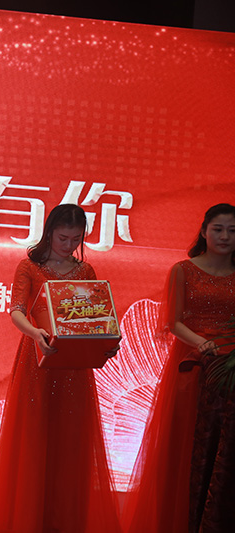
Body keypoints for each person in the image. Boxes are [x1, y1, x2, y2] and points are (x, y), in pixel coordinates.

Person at [0, 203, 122, 533]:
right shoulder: (29, 266)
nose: (69, 245)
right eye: (62, 238)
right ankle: (29, 520)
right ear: (49, 233)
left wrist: (106, 340)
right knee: (34, 439)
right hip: (39, 360)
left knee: (70, 444)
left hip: (74, 367)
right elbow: (17, 310)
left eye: (75, 239)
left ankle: (64, 521)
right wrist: (35, 333)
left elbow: (95, 316)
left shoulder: (85, 271)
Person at [123, 203, 235, 533]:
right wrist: (203, 343)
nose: (225, 236)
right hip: (194, 367)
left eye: (233, 231)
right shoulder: (182, 270)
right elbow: (173, 322)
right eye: (218, 229)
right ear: (203, 231)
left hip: (231, 371)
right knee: (188, 449)